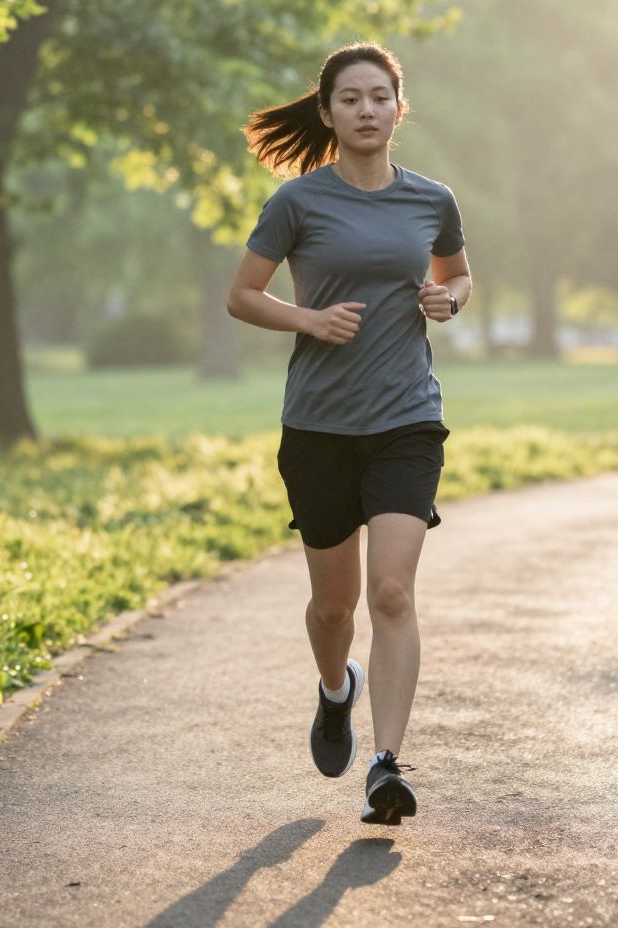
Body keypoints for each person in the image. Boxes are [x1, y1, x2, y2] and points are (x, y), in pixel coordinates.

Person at [225, 42, 472, 826]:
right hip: (320, 427)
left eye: (379, 97)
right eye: (350, 99)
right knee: (333, 609)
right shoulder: (297, 203)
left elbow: (458, 272)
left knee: (391, 591)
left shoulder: (432, 199)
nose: (366, 110)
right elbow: (242, 295)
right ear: (328, 111)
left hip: (406, 419)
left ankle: (387, 764)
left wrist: (449, 298)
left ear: (400, 108)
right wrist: (309, 319)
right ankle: (338, 690)